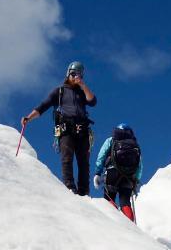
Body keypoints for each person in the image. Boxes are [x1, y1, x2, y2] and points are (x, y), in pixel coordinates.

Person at [22, 61, 98, 196]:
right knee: (67, 158)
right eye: (73, 74)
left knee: (84, 162)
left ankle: (84, 191)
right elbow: (43, 106)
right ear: (68, 74)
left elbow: (92, 101)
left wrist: (83, 86)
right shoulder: (60, 91)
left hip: (83, 130)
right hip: (65, 128)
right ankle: (69, 187)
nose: (76, 77)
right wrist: (28, 118)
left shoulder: (82, 92)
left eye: (79, 74)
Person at [95, 123, 144, 221]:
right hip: (129, 177)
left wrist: (97, 172)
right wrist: (136, 180)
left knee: (109, 199)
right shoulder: (134, 145)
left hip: (112, 173)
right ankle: (130, 225)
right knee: (125, 202)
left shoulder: (111, 140)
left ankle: (110, 223)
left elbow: (101, 156)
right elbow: (139, 165)